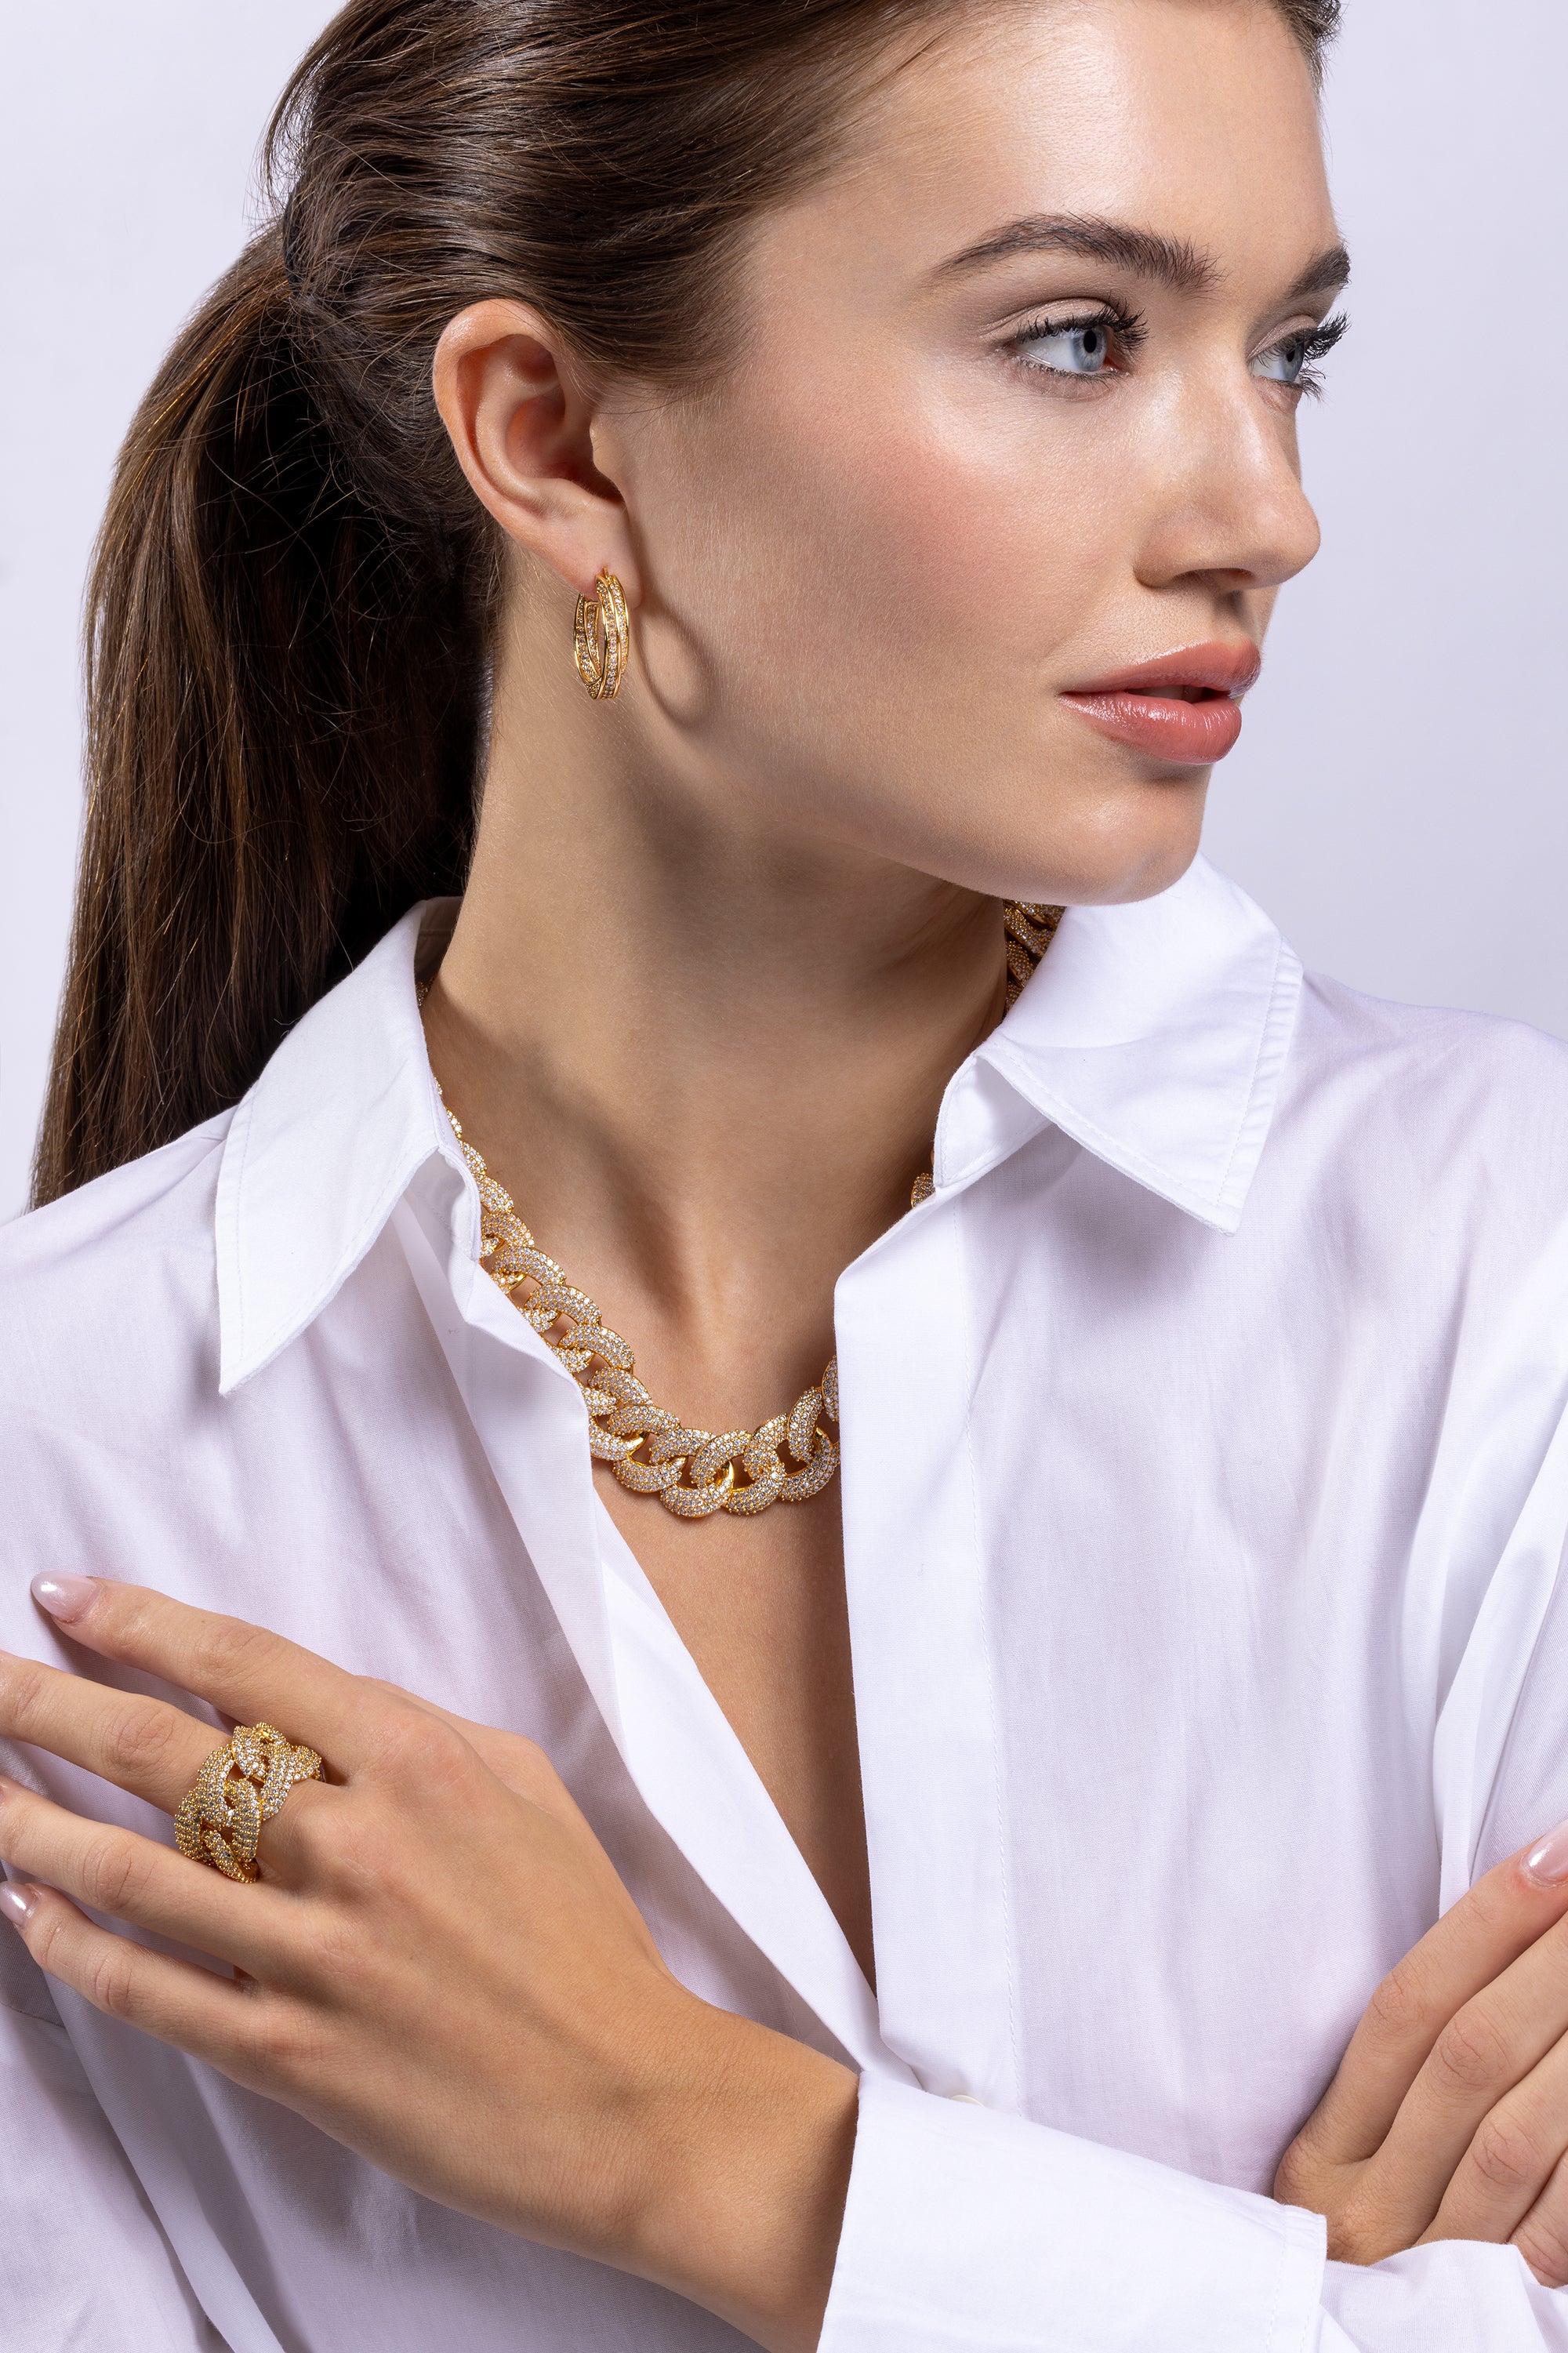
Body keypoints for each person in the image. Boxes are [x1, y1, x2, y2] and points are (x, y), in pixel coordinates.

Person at [5, 0, 1568, 2344]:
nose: (1268, 513)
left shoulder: (1507, 1271)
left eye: (1290, 353)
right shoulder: (58, 1480)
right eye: (1078, 338)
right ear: (560, 441)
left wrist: (675, 2134)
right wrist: (1291, 2304)